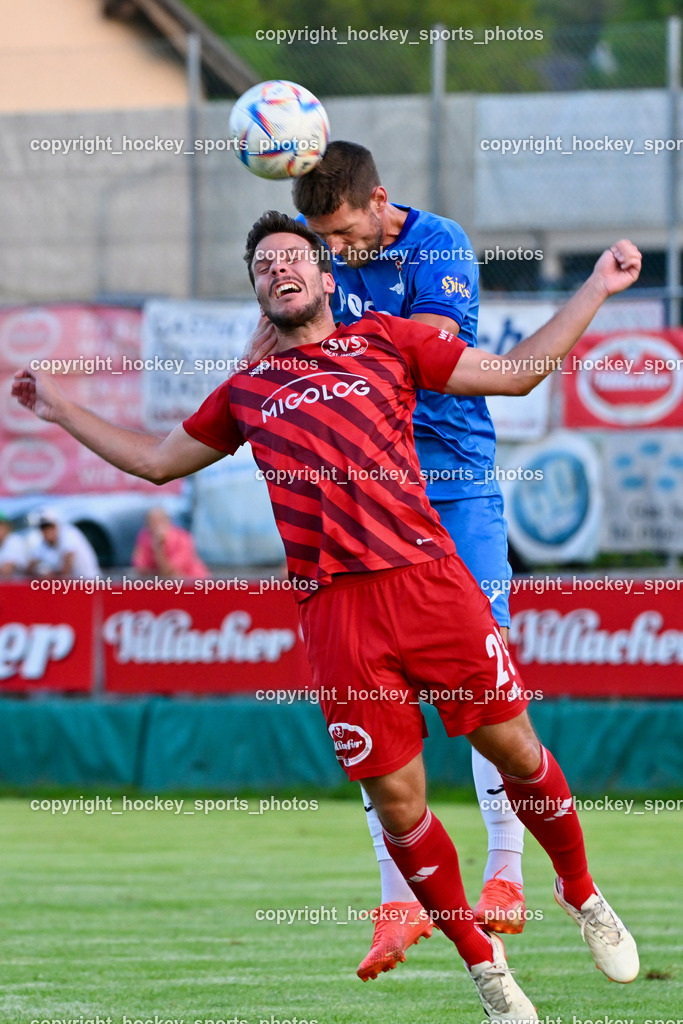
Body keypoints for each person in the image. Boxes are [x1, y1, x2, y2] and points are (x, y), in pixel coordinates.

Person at [12, 214, 641, 1021]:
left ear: (324, 277)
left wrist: (594, 286)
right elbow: (153, 461)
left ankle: (582, 894)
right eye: (262, 266)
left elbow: (516, 375)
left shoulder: (387, 340)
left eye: (292, 258)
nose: (279, 271)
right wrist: (61, 408)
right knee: (400, 806)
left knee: (517, 751)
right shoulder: (245, 392)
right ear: (257, 293)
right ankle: (486, 968)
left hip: (429, 585)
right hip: (339, 617)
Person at [251, 141, 529, 977]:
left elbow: (431, 353)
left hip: (450, 488)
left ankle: (506, 874)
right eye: (318, 238)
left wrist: (337, 331)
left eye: (342, 234)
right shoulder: (320, 260)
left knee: (487, 684)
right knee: (374, 709)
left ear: (380, 201)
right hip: (362, 509)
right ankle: (396, 900)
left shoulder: (437, 242)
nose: (333, 252)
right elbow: (265, 358)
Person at [133, 506, 210, 579]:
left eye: (160, 521)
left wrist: (159, 549)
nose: (156, 525)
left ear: (168, 521)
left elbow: (170, 573)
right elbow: (140, 568)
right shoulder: (144, 538)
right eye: (151, 521)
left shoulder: (182, 538)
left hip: (194, 584)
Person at [27, 509, 99, 578]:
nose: (47, 530)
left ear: (56, 525)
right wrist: (39, 573)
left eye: (49, 526)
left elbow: (66, 571)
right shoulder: (44, 543)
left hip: (89, 582)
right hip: (72, 585)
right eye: (43, 527)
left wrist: (50, 575)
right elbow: (29, 568)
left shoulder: (69, 534)